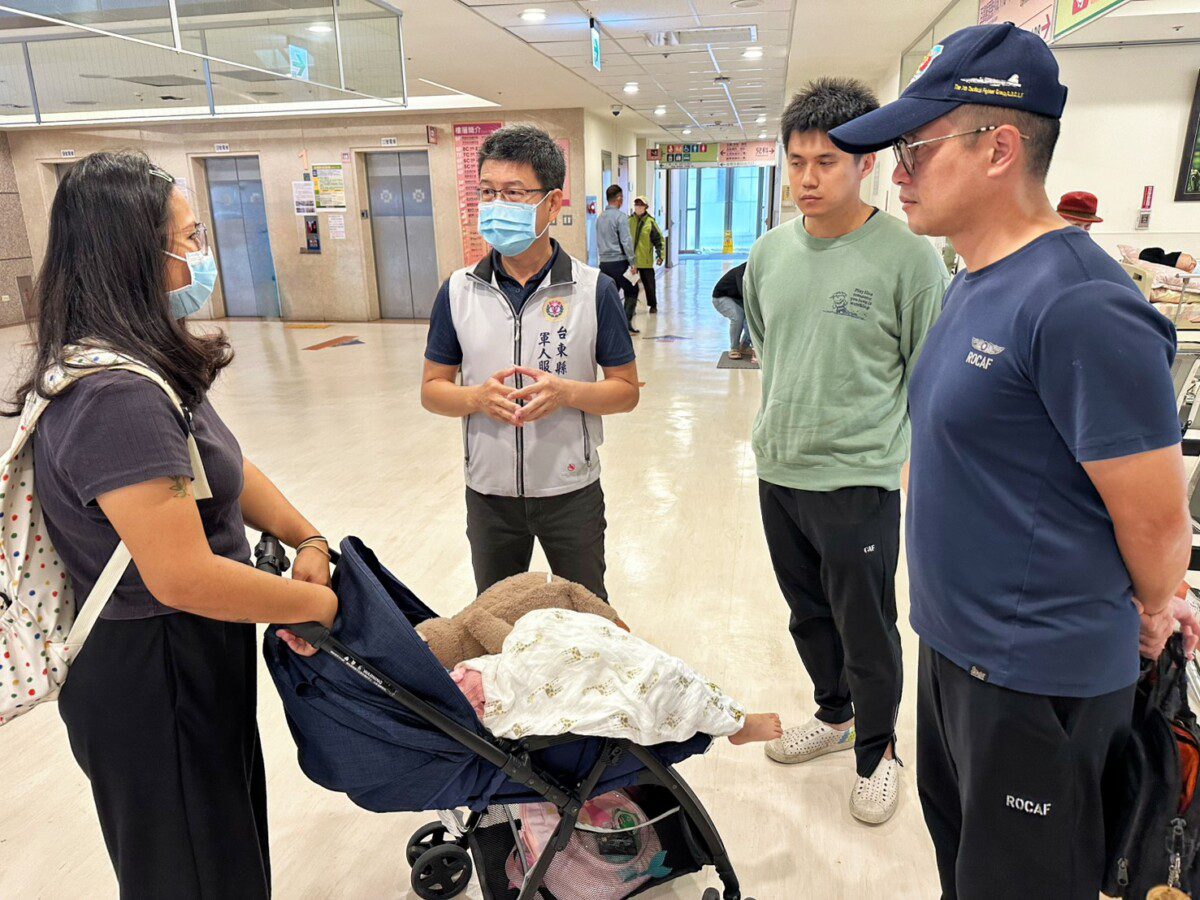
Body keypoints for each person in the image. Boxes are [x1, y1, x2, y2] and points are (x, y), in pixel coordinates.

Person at [829, 22, 1200, 896]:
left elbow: (1155, 518)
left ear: (999, 147)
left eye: (914, 149)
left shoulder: (1081, 306)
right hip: (957, 655)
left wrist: (1153, 606)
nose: (898, 173)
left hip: (1039, 679)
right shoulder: (970, 277)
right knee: (969, 872)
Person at [2, 151, 337, 897]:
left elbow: (223, 467)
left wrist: (305, 534)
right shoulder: (114, 395)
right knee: (193, 872)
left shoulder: (139, 361)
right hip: (154, 668)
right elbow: (182, 575)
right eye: (187, 239)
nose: (200, 254)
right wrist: (321, 607)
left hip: (186, 653)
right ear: (133, 254)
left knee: (219, 853)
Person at [744, 77, 949, 825]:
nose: (806, 178)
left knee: (866, 626)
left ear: (864, 162)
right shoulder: (769, 254)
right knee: (807, 613)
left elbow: (927, 374)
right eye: (795, 161)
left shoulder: (907, 259)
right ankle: (834, 718)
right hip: (779, 467)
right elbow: (772, 342)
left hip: (859, 478)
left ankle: (879, 751)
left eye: (825, 162)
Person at [422, 125, 640, 602]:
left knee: (587, 617)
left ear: (553, 203)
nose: (497, 205)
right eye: (487, 192)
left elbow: (626, 390)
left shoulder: (592, 290)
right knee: (496, 618)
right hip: (489, 494)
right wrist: (475, 398)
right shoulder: (458, 290)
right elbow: (433, 389)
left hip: (570, 490)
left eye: (515, 193)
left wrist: (567, 393)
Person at [597, 184, 641, 333]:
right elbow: (626, 241)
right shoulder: (621, 217)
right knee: (632, 291)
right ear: (619, 198)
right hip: (619, 263)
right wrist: (633, 262)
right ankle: (625, 323)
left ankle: (608, 326)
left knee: (610, 295)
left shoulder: (600, 217)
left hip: (604, 264)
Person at [629, 195, 664, 313]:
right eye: (636, 204)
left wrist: (660, 255)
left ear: (645, 207)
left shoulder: (650, 222)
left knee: (649, 285)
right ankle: (631, 307)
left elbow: (658, 240)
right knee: (631, 286)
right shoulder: (629, 221)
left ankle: (653, 305)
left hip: (645, 261)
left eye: (640, 205)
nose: (638, 207)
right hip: (632, 262)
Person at [711, 262, 752, 360]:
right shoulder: (741, 272)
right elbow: (744, 293)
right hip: (721, 298)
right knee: (738, 317)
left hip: (737, 298)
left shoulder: (757, 272)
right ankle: (734, 348)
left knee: (752, 318)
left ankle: (744, 347)